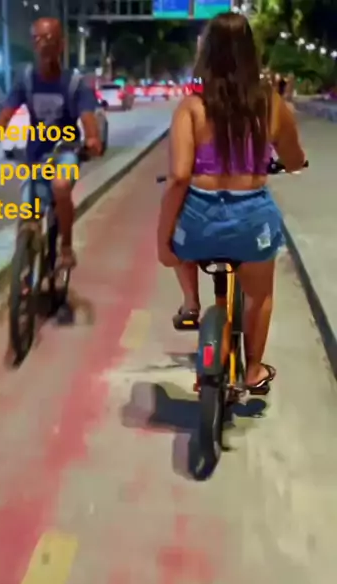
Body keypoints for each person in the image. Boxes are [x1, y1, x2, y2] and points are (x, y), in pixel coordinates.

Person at [157, 12, 305, 391]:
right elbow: (293, 159)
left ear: (206, 54)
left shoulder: (191, 108)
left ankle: (191, 301)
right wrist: (293, 163)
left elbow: (178, 177)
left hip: (199, 222)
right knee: (260, 295)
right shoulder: (271, 105)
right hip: (251, 221)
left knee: (178, 224)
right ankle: (253, 369)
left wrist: (162, 241)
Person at [0, 17, 102, 271]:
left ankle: (66, 247)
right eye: (37, 39)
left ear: (61, 44)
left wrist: (92, 139)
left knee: (61, 186)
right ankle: (26, 266)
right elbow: (6, 114)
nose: (43, 44)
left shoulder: (75, 83)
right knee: (27, 212)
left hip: (66, 151)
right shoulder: (26, 79)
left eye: (49, 38)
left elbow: (87, 118)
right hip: (36, 154)